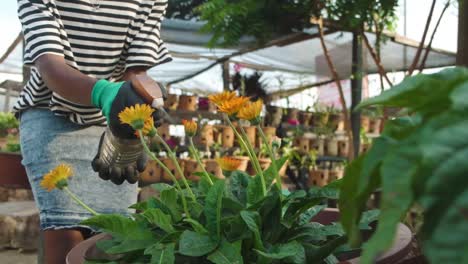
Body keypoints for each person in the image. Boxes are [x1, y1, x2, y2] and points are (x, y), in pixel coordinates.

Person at [14, 0, 171, 263]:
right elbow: (49, 65)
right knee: (65, 232)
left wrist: (141, 103)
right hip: (51, 115)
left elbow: (137, 70)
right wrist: (104, 93)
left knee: (114, 236)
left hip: (110, 119)